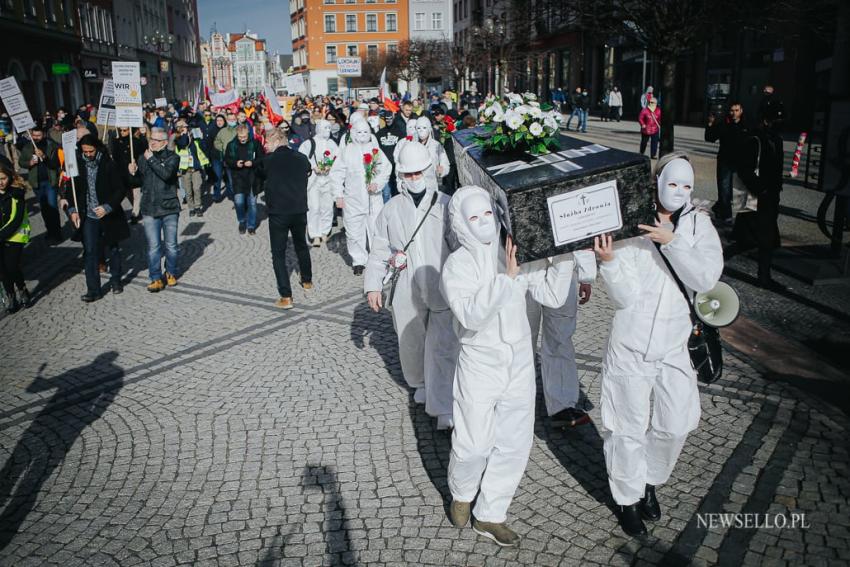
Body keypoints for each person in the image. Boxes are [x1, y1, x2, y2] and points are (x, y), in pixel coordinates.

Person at [593, 153, 722, 537]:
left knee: (677, 422)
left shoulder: (699, 225)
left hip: (676, 344)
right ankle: (628, 498)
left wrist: (673, 242)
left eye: (687, 185)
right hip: (631, 343)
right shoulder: (633, 222)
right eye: (672, 183)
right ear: (656, 182)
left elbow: (706, 276)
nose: (680, 192)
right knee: (626, 426)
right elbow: (624, 296)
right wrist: (610, 261)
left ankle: (649, 478)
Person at [440, 186, 574, 546]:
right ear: (461, 224)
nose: (484, 223)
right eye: (474, 217)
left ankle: (490, 514)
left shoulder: (512, 250)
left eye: (487, 215)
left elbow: (552, 295)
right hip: (479, 362)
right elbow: (470, 314)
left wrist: (561, 257)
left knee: (514, 441)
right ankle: (463, 491)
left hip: (518, 360)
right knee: (473, 444)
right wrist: (506, 279)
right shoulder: (458, 265)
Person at [364, 143, 458, 429]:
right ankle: (419, 382)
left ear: (428, 171)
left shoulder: (446, 205)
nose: (414, 178)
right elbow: (379, 248)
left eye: (419, 172)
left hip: (441, 285)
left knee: (444, 344)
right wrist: (373, 285)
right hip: (405, 286)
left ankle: (444, 405)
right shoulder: (391, 210)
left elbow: (459, 247)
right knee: (410, 338)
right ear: (401, 176)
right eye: (409, 174)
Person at [526, 251, 596, 426]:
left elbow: (578, 228)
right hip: (525, 266)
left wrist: (585, 276)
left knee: (561, 337)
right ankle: (515, 401)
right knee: (522, 336)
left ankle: (562, 405)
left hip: (563, 265)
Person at [729, 99, 785, 289]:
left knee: (753, 240)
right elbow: (745, 169)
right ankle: (763, 277)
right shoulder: (755, 139)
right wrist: (760, 188)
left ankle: (763, 276)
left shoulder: (776, 139)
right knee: (759, 240)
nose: (778, 123)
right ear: (766, 120)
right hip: (758, 197)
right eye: (775, 120)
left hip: (769, 197)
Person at [67, 135, 130, 301]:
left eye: (91, 151)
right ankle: (93, 290)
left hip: (108, 214)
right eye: (85, 151)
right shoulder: (76, 164)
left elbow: (120, 189)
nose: (88, 154)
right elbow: (71, 189)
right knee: (90, 251)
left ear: (97, 148)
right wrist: (72, 210)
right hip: (88, 215)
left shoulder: (108, 164)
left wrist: (107, 207)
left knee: (113, 248)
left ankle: (116, 280)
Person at [256, 128, 313, 309]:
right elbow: (308, 170)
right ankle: (307, 280)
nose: (265, 146)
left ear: (275, 141)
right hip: (299, 209)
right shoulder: (301, 158)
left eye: (267, 142)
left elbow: (259, 175)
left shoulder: (268, 161)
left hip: (279, 212)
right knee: (301, 246)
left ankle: (286, 296)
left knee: (278, 254)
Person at [330, 119, 391, 275]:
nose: (363, 135)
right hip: (352, 198)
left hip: (373, 198)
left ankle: (378, 258)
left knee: (377, 229)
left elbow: (386, 168)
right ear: (353, 133)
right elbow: (336, 174)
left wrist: (377, 183)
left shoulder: (375, 150)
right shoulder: (346, 151)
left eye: (365, 132)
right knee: (353, 231)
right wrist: (338, 195)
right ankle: (359, 260)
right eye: (359, 132)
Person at [128, 127, 181, 293]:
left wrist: (151, 159)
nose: (152, 142)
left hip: (169, 207)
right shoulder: (143, 157)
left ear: (165, 143)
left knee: (171, 245)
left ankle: (170, 272)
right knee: (154, 246)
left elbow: (166, 174)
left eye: (156, 140)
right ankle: (155, 278)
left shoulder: (173, 157)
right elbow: (138, 182)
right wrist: (132, 172)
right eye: (151, 139)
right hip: (149, 207)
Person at [705, 101, 747, 225]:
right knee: (724, 189)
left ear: (741, 111)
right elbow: (710, 138)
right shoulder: (724, 124)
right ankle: (726, 215)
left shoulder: (747, 125)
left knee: (740, 191)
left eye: (736, 110)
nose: (734, 113)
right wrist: (710, 124)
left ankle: (738, 217)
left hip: (741, 161)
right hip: (725, 161)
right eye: (732, 110)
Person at [18, 126, 62, 243]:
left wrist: (44, 157)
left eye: (39, 135)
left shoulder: (50, 145)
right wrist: (29, 163)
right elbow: (21, 162)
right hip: (36, 182)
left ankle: (57, 233)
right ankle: (50, 231)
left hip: (50, 181)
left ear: (44, 135)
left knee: (52, 207)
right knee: (44, 209)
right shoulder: (28, 147)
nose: (36, 138)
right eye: (34, 135)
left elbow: (55, 164)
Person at [298, 119, 339, 245]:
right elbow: (301, 157)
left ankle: (324, 231)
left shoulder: (332, 143)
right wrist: (312, 167)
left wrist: (330, 165)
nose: (328, 131)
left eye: (329, 128)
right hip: (314, 180)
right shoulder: (309, 143)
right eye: (325, 128)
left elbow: (337, 157)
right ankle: (314, 233)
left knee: (327, 207)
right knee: (314, 207)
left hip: (327, 179)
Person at [0, 162, 32, 313]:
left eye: (3, 178)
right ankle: (10, 296)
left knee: (12, 267)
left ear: (10, 177)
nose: (0, 182)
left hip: (14, 237)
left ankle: (22, 289)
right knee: (2, 270)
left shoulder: (16, 194)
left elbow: (16, 220)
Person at [225, 124, 263, 235]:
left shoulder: (255, 143)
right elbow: (227, 160)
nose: (242, 139)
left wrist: (253, 162)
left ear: (248, 134)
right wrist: (235, 163)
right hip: (238, 178)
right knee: (239, 202)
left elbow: (262, 158)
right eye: (240, 137)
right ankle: (242, 221)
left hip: (252, 178)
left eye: (244, 137)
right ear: (237, 134)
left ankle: (251, 225)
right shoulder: (231, 145)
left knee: (252, 203)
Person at [111, 127, 148, 224]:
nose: (122, 132)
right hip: (122, 172)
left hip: (134, 170)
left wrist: (143, 136)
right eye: (121, 130)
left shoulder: (135, 141)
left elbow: (143, 149)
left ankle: (135, 213)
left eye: (125, 130)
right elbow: (115, 156)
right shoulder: (116, 141)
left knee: (136, 193)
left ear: (129, 130)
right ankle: (135, 210)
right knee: (127, 193)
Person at [174, 120, 210, 218]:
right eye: (184, 127)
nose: (186, 128)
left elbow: (203, 147)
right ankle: (191, 208)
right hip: (185, 169)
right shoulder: (178, 139)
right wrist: (185, 134)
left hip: (196, 168)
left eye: (187, 127)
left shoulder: (194, 139)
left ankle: (197, 206)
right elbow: (183, 143)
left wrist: (201, 137)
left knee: (197, 188)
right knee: (188, 190)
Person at [414, 116, 450, 192]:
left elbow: (445, 163)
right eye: (418, 128)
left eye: (424, 127)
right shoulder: (412, 145)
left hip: (432, 185)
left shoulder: (436, 145)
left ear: (429, 129)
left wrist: (442, 170)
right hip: (415, 185)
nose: (421, 131)